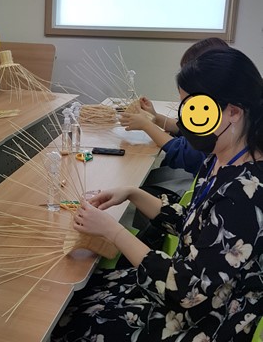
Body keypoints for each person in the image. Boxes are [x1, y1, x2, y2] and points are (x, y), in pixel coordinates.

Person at [53, 48, 263, 341]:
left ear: (234, 111)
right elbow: (192, 224)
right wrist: (133, 193)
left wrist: (114, 232)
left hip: (205, 323)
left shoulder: (245, 194)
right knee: (82, 294)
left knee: (70, 325)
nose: (186, 122)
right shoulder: (221, 158)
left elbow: (187, 290)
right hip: (182, 298)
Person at [120, 37, 231, 172]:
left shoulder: (222, 120)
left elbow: (185, 154)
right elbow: (186, 131)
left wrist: (146, 125)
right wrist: (156, 117)